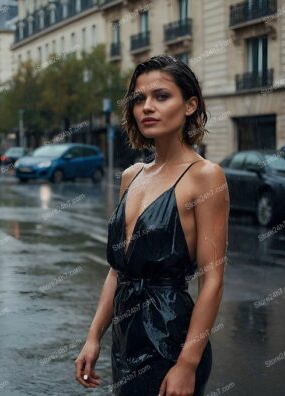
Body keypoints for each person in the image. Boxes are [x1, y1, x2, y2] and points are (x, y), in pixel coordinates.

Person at [74, 55, 228, 396]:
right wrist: (92, 338)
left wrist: (187, 364)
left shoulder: (205, 176)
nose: (147, 107)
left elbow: (213, 278)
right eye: (139, 99)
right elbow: (118, 271)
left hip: (171, 340)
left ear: (190, 105)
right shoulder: (132, 176)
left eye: (161, 96)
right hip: (125, 339)